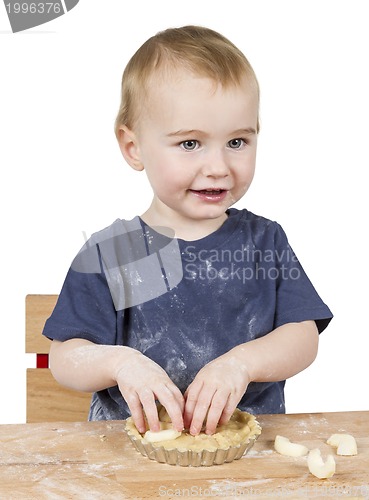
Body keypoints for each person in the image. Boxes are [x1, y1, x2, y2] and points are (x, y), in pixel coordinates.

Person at [43, 25, 333, 437]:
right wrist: (120, 363)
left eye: (237, 142)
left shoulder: (265, 242)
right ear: (134, 147)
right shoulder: (112, 252)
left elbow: (303, 336)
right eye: (190, 144)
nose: (217, 166)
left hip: (247, 458)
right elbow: (65, 357)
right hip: (132, 460)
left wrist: (241, 363)